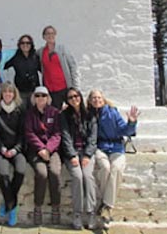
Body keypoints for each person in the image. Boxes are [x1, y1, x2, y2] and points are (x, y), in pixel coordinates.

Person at [87, 89, 140, 228]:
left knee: (116, 168)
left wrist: (131, 122)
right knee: (105, 168)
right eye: (93, 98)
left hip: (116, 147)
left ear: (103, 99)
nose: (96, 100)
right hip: (100, 147)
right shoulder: (88, 114)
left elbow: (125, 130)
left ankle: (106, 206)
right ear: (89, 101)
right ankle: (107, 206)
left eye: (99, 97)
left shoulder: (112, 112)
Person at [61, 87, 97, 230]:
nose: (74, 99)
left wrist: (87, 155)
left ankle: (91, 212)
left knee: (88, 176)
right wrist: (71, 155)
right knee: (77, 176)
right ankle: (77, 213)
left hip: (86, 152)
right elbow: (65, 136)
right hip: (72, 153)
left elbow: (93, 138)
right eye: (70, 98)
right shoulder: (64, 115)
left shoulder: (89, 114)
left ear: (80, 97)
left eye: (76, 96)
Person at [25, 86, 62, 226]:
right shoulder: (29, 114)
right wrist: (41, 148)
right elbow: (29, 133)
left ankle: (55, 207)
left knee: (55, 172)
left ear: (48, 98)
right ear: (34, 98)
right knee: (41, 173)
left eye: (44, 96)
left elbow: (57, 134)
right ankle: (38, 206)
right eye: (38, 96)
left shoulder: (54, 113)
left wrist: (48, 149)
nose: (41, 98)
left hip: (52, 150)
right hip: (36, 150)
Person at [0, 82, 26, 226]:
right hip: (2, 149)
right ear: (1, 94)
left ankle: (8, 203)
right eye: (5, 92)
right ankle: (12, 208)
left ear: (14, 94)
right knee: (3, 175)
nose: (8, 94)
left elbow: (22, 134)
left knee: (20, 171)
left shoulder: (20, 110)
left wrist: (16, 149)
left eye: (10, 92)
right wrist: (1, 148)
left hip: (16, 149)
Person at [37, 25, 79, 110]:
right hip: (51, 90)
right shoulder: (41, 52)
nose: (50, 35)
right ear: (43, 37)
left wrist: (74, 87)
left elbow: (73, 66)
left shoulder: (62, 49)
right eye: (47, 34)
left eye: (52, 33)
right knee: (55, 114)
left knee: (71, 111)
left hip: (65, 87)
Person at [4, 34, 40, 107]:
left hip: (34, 91)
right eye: (22, 43)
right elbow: (3, 66)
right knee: (22, 113)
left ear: (31, 44)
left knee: (34, 112)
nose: (25, 45)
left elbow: (44, 69)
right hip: (20, 91)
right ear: (19, 45)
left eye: (28, 43)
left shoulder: (36, 56)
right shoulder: (15, 57)